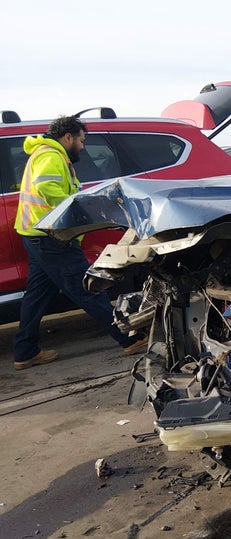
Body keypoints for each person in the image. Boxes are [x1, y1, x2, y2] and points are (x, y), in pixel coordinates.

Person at [12, 115, 146, 370]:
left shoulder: (45, 153)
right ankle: (128, 338)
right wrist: (79, 210)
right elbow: (48, 189)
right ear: (68, 137)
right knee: (87, 289)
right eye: (81, 141)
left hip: (36, 235)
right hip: (52, 237)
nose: (83, 146)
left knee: (37, 297)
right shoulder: (51, 155)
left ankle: (25, 351)